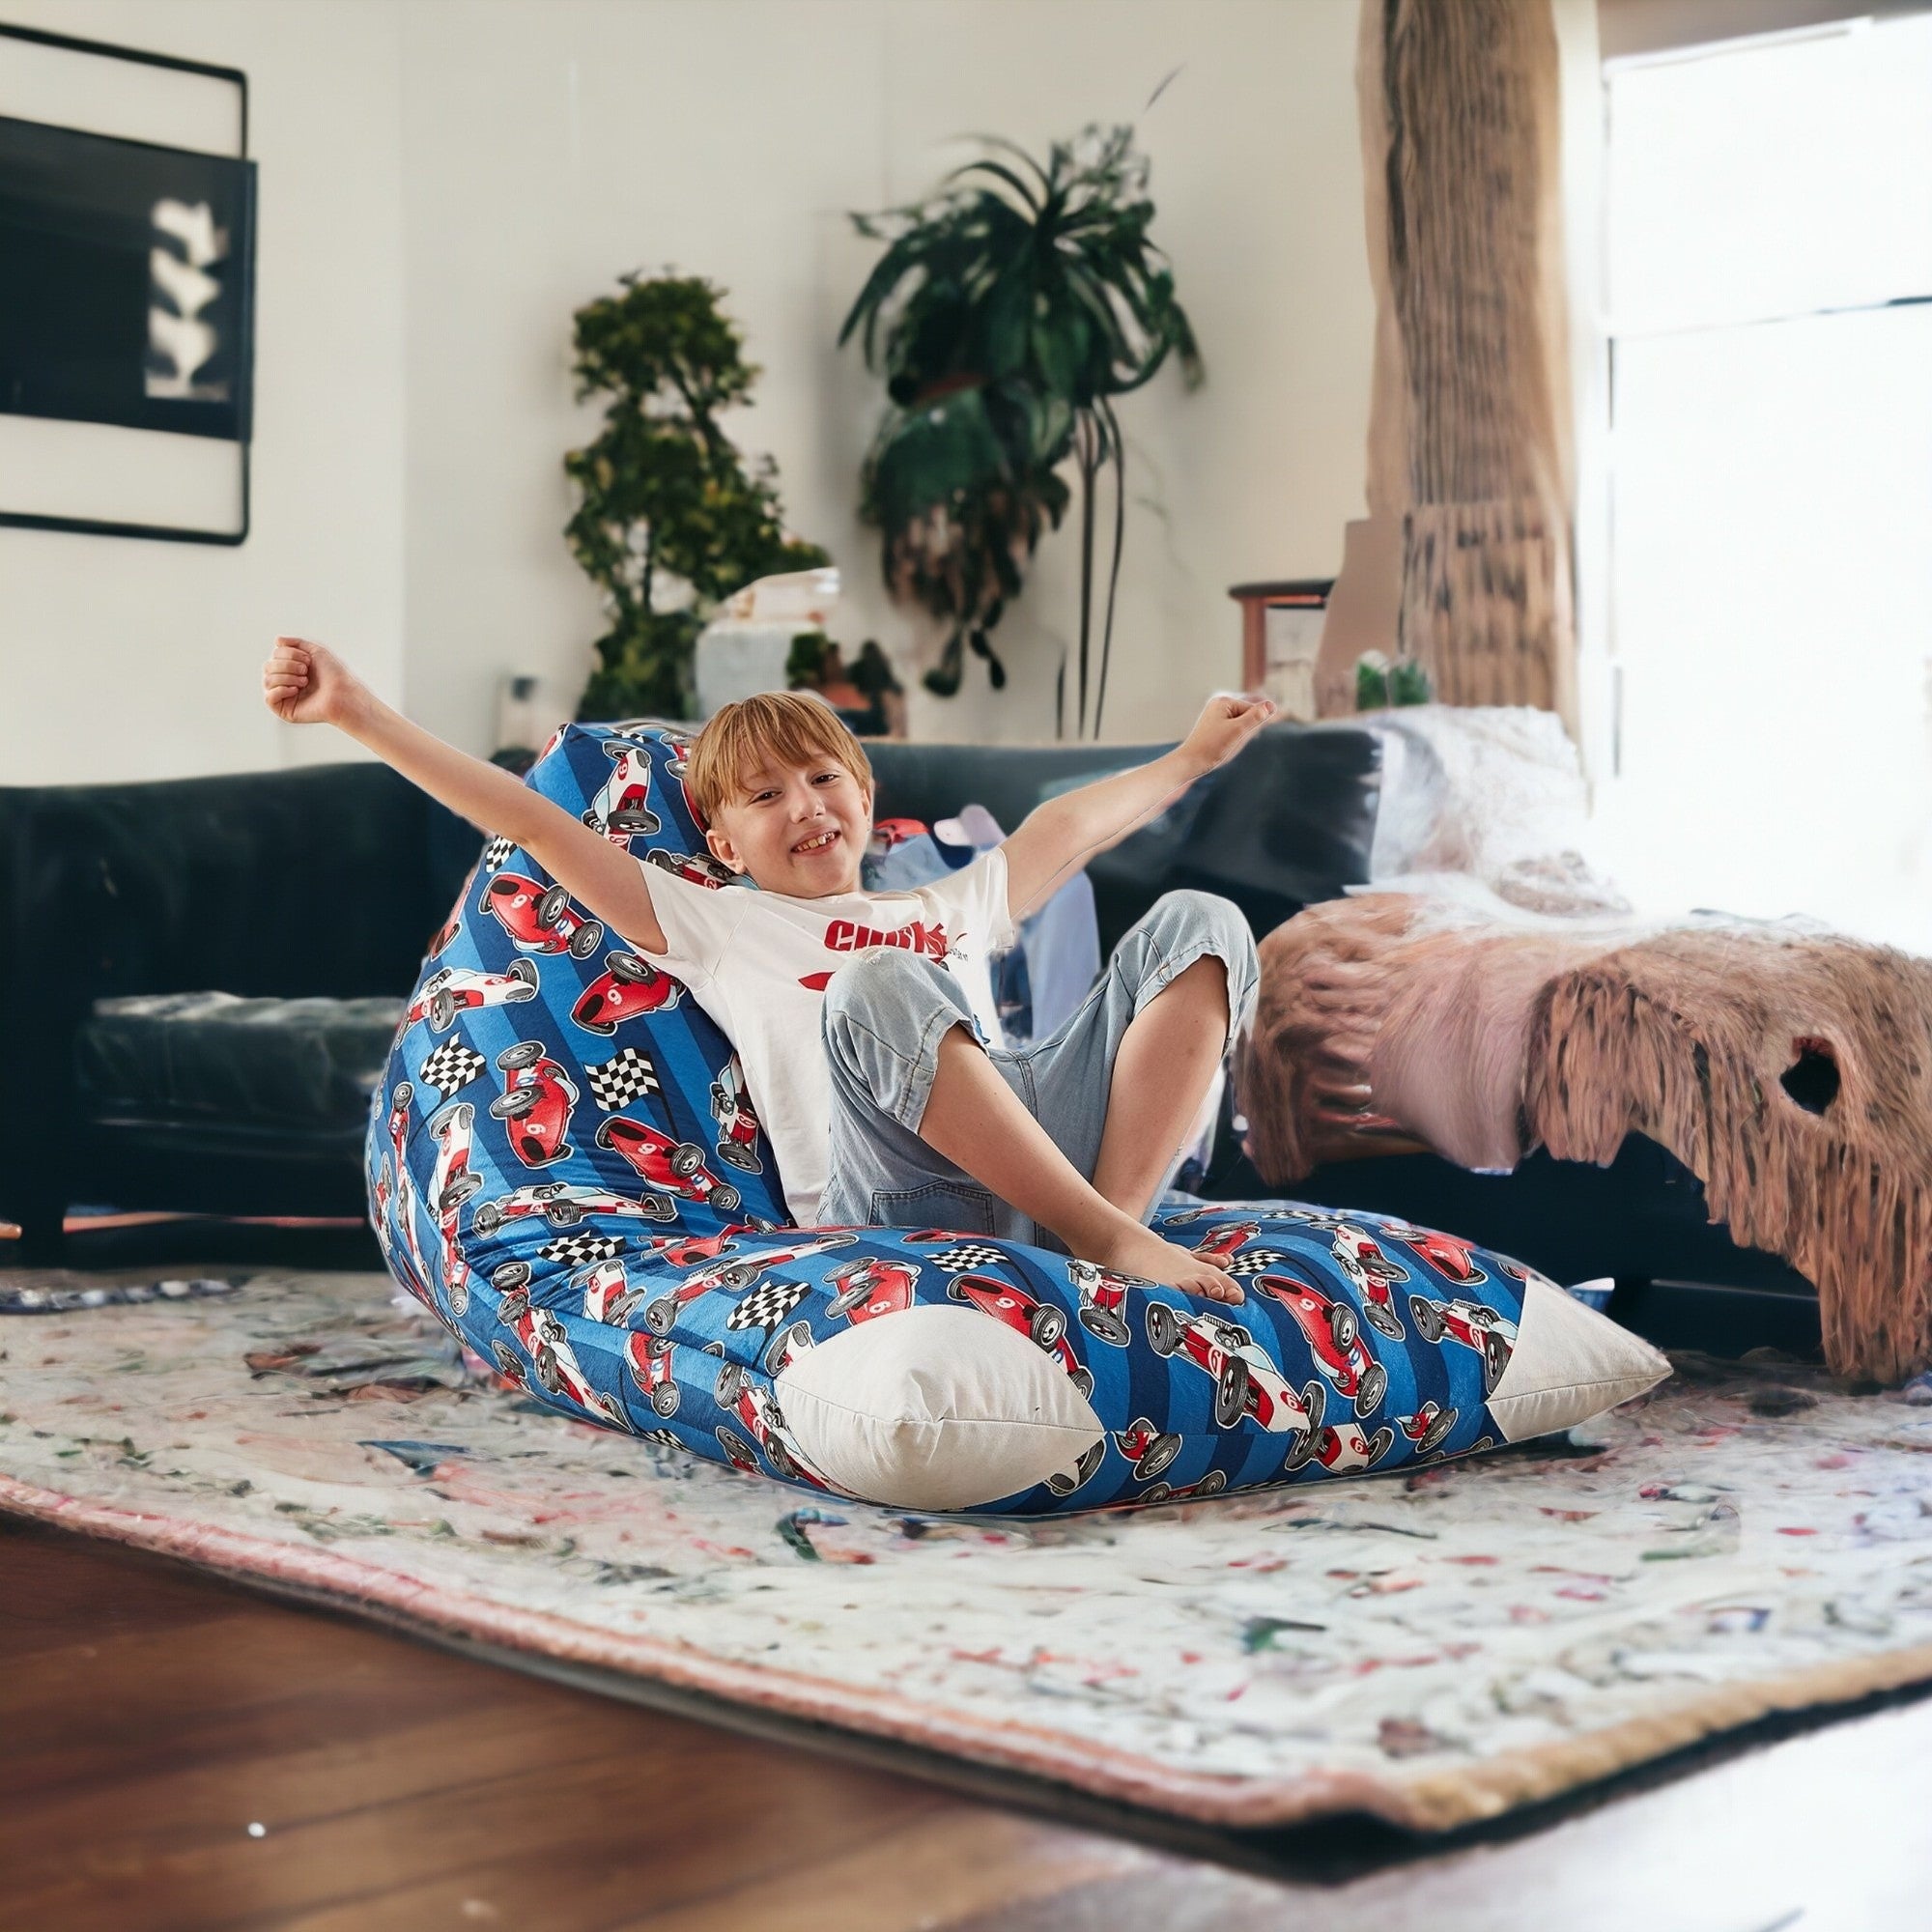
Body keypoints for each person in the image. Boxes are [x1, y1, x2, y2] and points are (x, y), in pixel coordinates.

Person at [261, 638, 1271, 1301]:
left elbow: (1068, 824)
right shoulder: (719, 923)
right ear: (726, 843)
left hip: (1033, 1163)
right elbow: (527, 819)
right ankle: (1102, 1235)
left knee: (1201, 922)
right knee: (876, 985)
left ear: (865, 797)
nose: (805, 804)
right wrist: (356, 711)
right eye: (763, 794)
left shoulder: (942, 905)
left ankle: (1114, 1230)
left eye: (824, 777)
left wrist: (1188, 757)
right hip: (894, 1188)